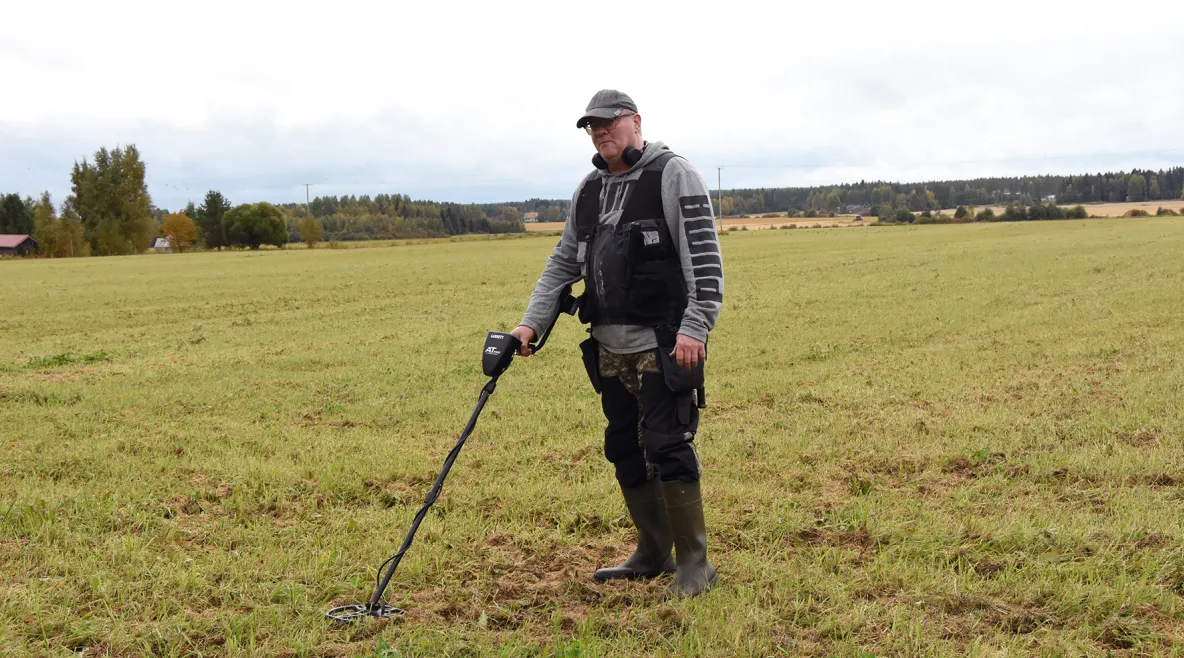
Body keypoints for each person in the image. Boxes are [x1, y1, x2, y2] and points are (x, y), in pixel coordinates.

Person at [510, 90, 724, 598]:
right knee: (624, 448)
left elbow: (705, 258)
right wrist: (529, 325)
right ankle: (652, 552)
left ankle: (694, 563)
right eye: (593, 126)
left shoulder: (674, 175)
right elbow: (564, 262)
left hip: (664, 342)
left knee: (668, 446)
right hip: (607, 347)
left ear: (635, 122)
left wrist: (696, 325)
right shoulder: (588, 188)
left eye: (610, 122)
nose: (601, 132)